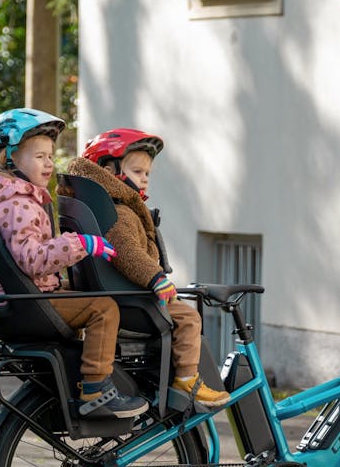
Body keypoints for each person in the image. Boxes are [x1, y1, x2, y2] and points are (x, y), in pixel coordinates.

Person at [0, 108, 148, 420]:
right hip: (27, 302)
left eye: (50, 156)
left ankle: (81, 377)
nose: (50, 163)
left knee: (80, 291)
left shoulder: (0, 196)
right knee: (103, 309)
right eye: (39, 156)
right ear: (7, 160)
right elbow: (33, 259)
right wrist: (81, 244)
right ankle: (95, 389)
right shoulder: (19, 204)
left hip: (14, 299)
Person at [65, 128, 230, 408]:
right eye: (138, 171)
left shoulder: (105, 207)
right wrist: (155, 278)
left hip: (126, 295)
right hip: (134, 300)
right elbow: (126, 252)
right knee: (189, 319)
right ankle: (188, 378)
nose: (144, 178)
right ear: (108, 170)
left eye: (147, 173)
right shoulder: (119, 212)